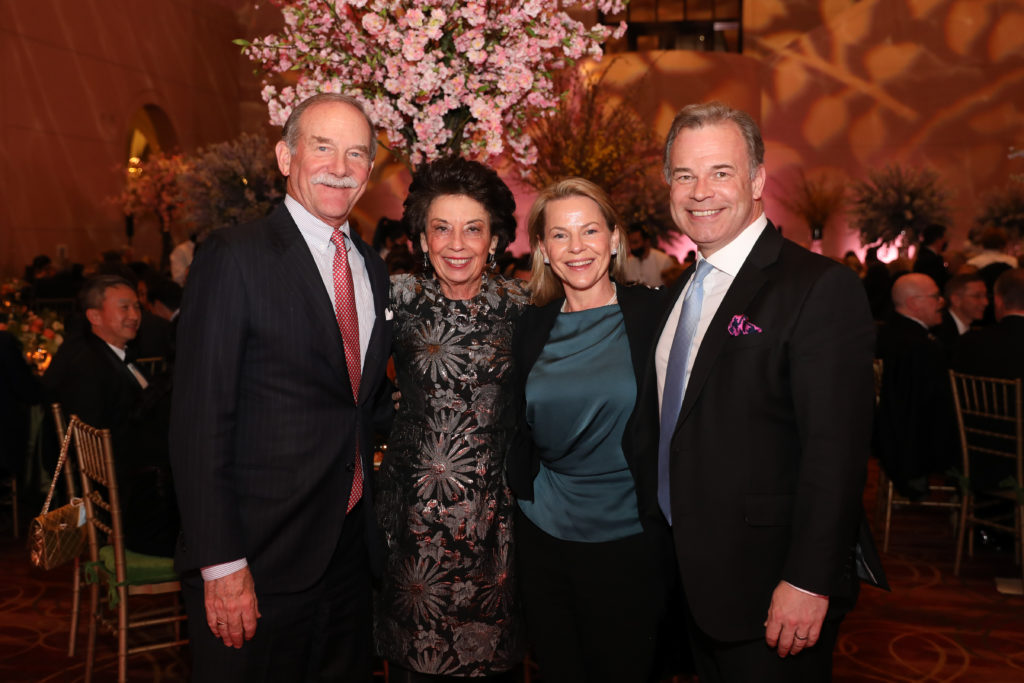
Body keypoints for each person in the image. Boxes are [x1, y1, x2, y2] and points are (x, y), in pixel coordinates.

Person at [633, 102, 880, 682]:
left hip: (772, 589)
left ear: (758, 181)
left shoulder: (819, 288)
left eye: (721, 172)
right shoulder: (677, 294)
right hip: (688, 583)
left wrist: (808, 579)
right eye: (684, 175)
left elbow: (836, 453)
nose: (701, 191)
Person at [169, 93, 393, 681]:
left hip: (346, 558)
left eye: (356, 154)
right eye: (322, 147)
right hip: (257, 559)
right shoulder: (233, 257)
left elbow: (357, 406)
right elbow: (199, 426)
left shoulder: (372, 269)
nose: (340, 166)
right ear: (284, 155)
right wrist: (221, 564)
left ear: (370, 171)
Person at [509, 178, 671, 682]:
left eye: (589, 231)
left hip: (632, 537)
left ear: (615, 238)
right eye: (560, 235)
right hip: (544, 534)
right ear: (542, 249)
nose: (576, 248)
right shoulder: (528, 326)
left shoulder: (656, 316)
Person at [374, 157, 527, 681]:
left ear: (495, 239)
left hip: (496, 524)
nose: (456, 243)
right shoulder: (397, 297)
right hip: (414, 526)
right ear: (421, 238)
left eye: (472, 229)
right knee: (417, 665)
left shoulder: (524, 307)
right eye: (441, 228)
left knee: (495, 665)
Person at [44, 274, 177, 555]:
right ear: (94, 316)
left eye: (137, 307)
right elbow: (99, 449)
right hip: (133, 503)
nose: (134, 315)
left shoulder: (113, 355)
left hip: (140, 483)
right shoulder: (88, 367)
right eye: (124, 307)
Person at [874, 273, 958, 498]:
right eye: (935, 297)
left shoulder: (889, 334)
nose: (942, 302)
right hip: (917, 442)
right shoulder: (919, 347)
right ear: (913, 303)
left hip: (890, 435)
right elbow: (937, 404)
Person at [931, 272, 988, 354]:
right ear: (956, 300)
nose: (985, 302)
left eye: (986, 296)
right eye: (977, 296)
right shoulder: (940, 334)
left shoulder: (975, 332)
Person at [622, 222, 676, 287]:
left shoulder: (664, 260)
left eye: (635, 242)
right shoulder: (627, 263)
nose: (632, 247)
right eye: (630, 243)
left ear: (647, 242)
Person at [913, 223, 949, 291]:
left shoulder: (925, 255)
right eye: (944, 238)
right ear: (938, 240)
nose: (946, 241)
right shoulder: (931, 260)